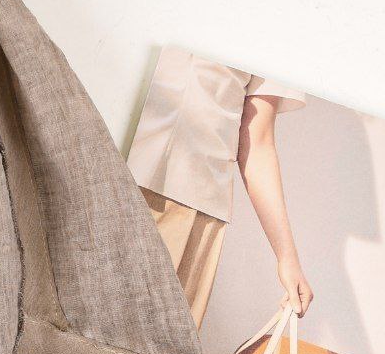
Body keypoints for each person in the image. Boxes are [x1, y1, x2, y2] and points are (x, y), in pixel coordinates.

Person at [128, 45, 313, 327]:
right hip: (105, 165)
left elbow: (258, 141)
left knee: (158, 345)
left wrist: (287, 258)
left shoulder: (281, 35)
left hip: (193, 204)